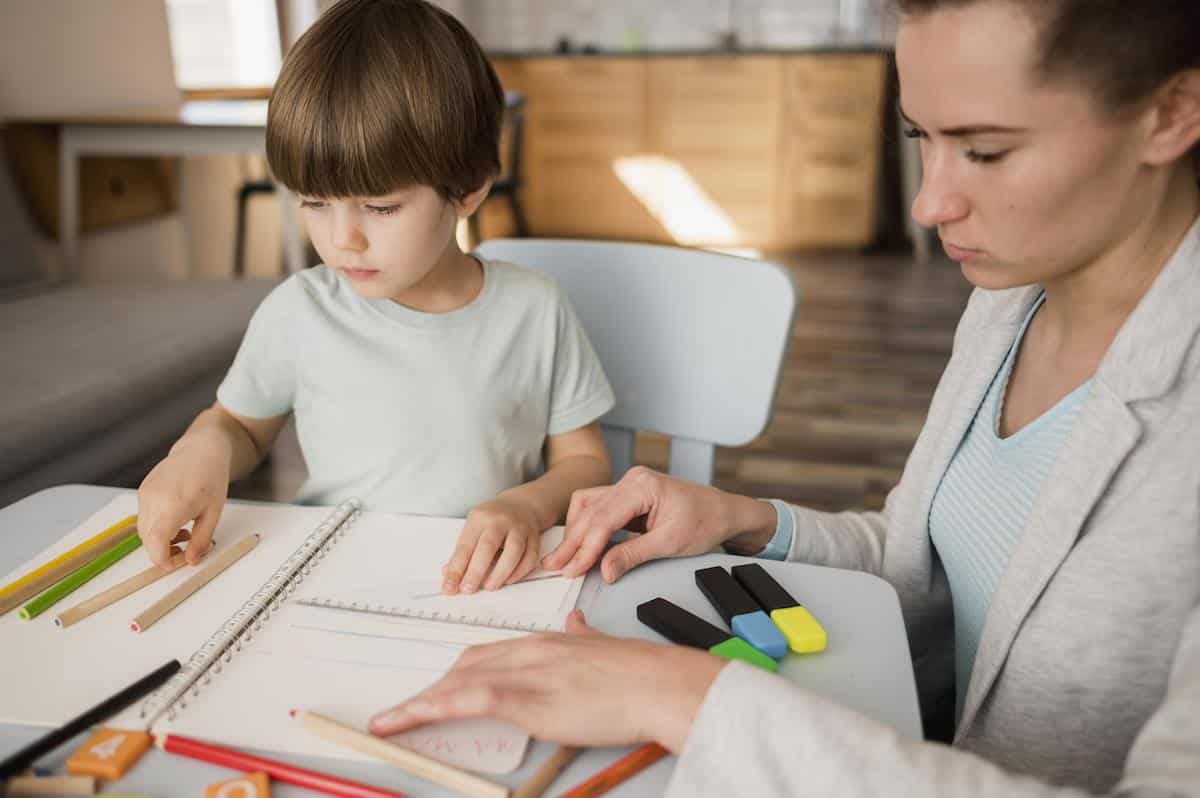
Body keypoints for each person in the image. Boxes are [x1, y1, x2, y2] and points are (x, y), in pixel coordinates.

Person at [366, 0, 1200, 794]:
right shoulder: (1008, 304)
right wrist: (750, 520)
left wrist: (682, 697)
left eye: (983, 151)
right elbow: (941, 566)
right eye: (921, 137)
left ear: (1172, 112)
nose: (929, 201)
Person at [135, 0, 615, 597]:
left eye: (381, 207)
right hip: (336, 575)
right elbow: (240, 426)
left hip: (492, 585)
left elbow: (585, 464)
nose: (342, 239)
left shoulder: (536, 310)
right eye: (314, 202)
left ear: (467, 190)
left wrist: (527, 507)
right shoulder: (300, 312)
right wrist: (202, 445)